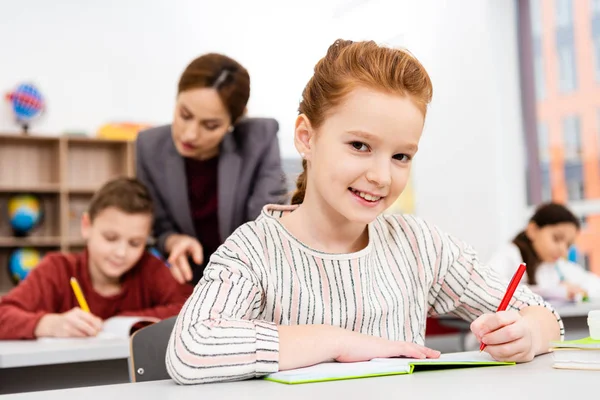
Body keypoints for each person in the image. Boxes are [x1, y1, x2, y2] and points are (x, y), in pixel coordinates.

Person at [165, 39, 563, 385]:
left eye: (401, 155)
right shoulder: (256, 249)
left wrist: (527, 333)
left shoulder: (418, 244)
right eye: (359, 145)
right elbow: (190, 347)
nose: (381, 176)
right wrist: (338, 342)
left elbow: (546, 317)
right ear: (306, 137)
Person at [136, 53, 288, 285]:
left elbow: (265, 225)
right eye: (184, 115)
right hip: (185, 282)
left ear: (233, 123)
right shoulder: (149, 146)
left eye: (210, 125)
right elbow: (159, 226)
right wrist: (174, 241)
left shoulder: (259, 139)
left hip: (250, 278)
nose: (190, 134)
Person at [0, 177, 192, 340]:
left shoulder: (149, 268)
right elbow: (3, 314)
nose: (121, 253)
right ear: (86, 226)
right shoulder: (57, 269)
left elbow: (196, 308)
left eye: (135, 243)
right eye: (110, 238)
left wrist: (124, 321)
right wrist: (47, 324)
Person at [488, 202, 600, 301]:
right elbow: (490, 288)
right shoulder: (510, 255)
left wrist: (577, 290)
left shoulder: (556, 266)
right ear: (533, 230)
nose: (563, 251)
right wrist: (555, 291)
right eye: (556, 238)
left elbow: (593, 283)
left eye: (568, 245)